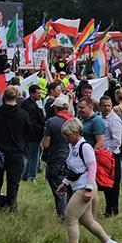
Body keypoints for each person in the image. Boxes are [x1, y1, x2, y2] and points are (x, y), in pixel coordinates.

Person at [57, 118, 120, 243]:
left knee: (70, 217)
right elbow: (74, 169)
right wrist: (65, 183)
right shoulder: (72, 147)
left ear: (76, 132)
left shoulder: (85, 147)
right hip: (78, 186)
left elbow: (92, 169)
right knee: (87, 221)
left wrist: (89, 189)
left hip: (84, 187)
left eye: (67, 134)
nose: (65, 137)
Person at [0, 86, 30, 210]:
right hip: (16, 153)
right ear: (17, 97)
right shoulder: (23, 114)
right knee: (13, 182)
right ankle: (11, 205)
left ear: (3, 97)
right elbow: (29, 131)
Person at [42, 94, 74, 222]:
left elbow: (46, 144)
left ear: (55, 108)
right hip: (71, 159)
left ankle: (63, 217)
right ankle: (73, 214)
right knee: (71, 188)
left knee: (59, 188)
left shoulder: (51, 122)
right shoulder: (73, 121)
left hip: (56, 159)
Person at [99, 95, 122, 217]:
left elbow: (117, 140)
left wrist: (107, 152)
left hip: (113, 155)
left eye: (109, 105)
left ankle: (114, 209)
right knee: (106, 183)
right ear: (100, 106)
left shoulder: (114, 119)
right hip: (105, 155)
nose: (107, 108)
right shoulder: (101, 117)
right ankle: (109, 208)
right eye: (105, 106)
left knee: (114, 184)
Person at [21, 84, 45, 182]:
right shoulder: (29, 106)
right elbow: (32, 122)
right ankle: (32, 175)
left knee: (32, 155)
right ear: (31, 94)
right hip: (33, 135)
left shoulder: (33, 104)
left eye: (40, 93)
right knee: (34, 156)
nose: (40, 95)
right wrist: (42, 128)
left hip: (34, 134)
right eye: (38, 93)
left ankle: (25, 175)